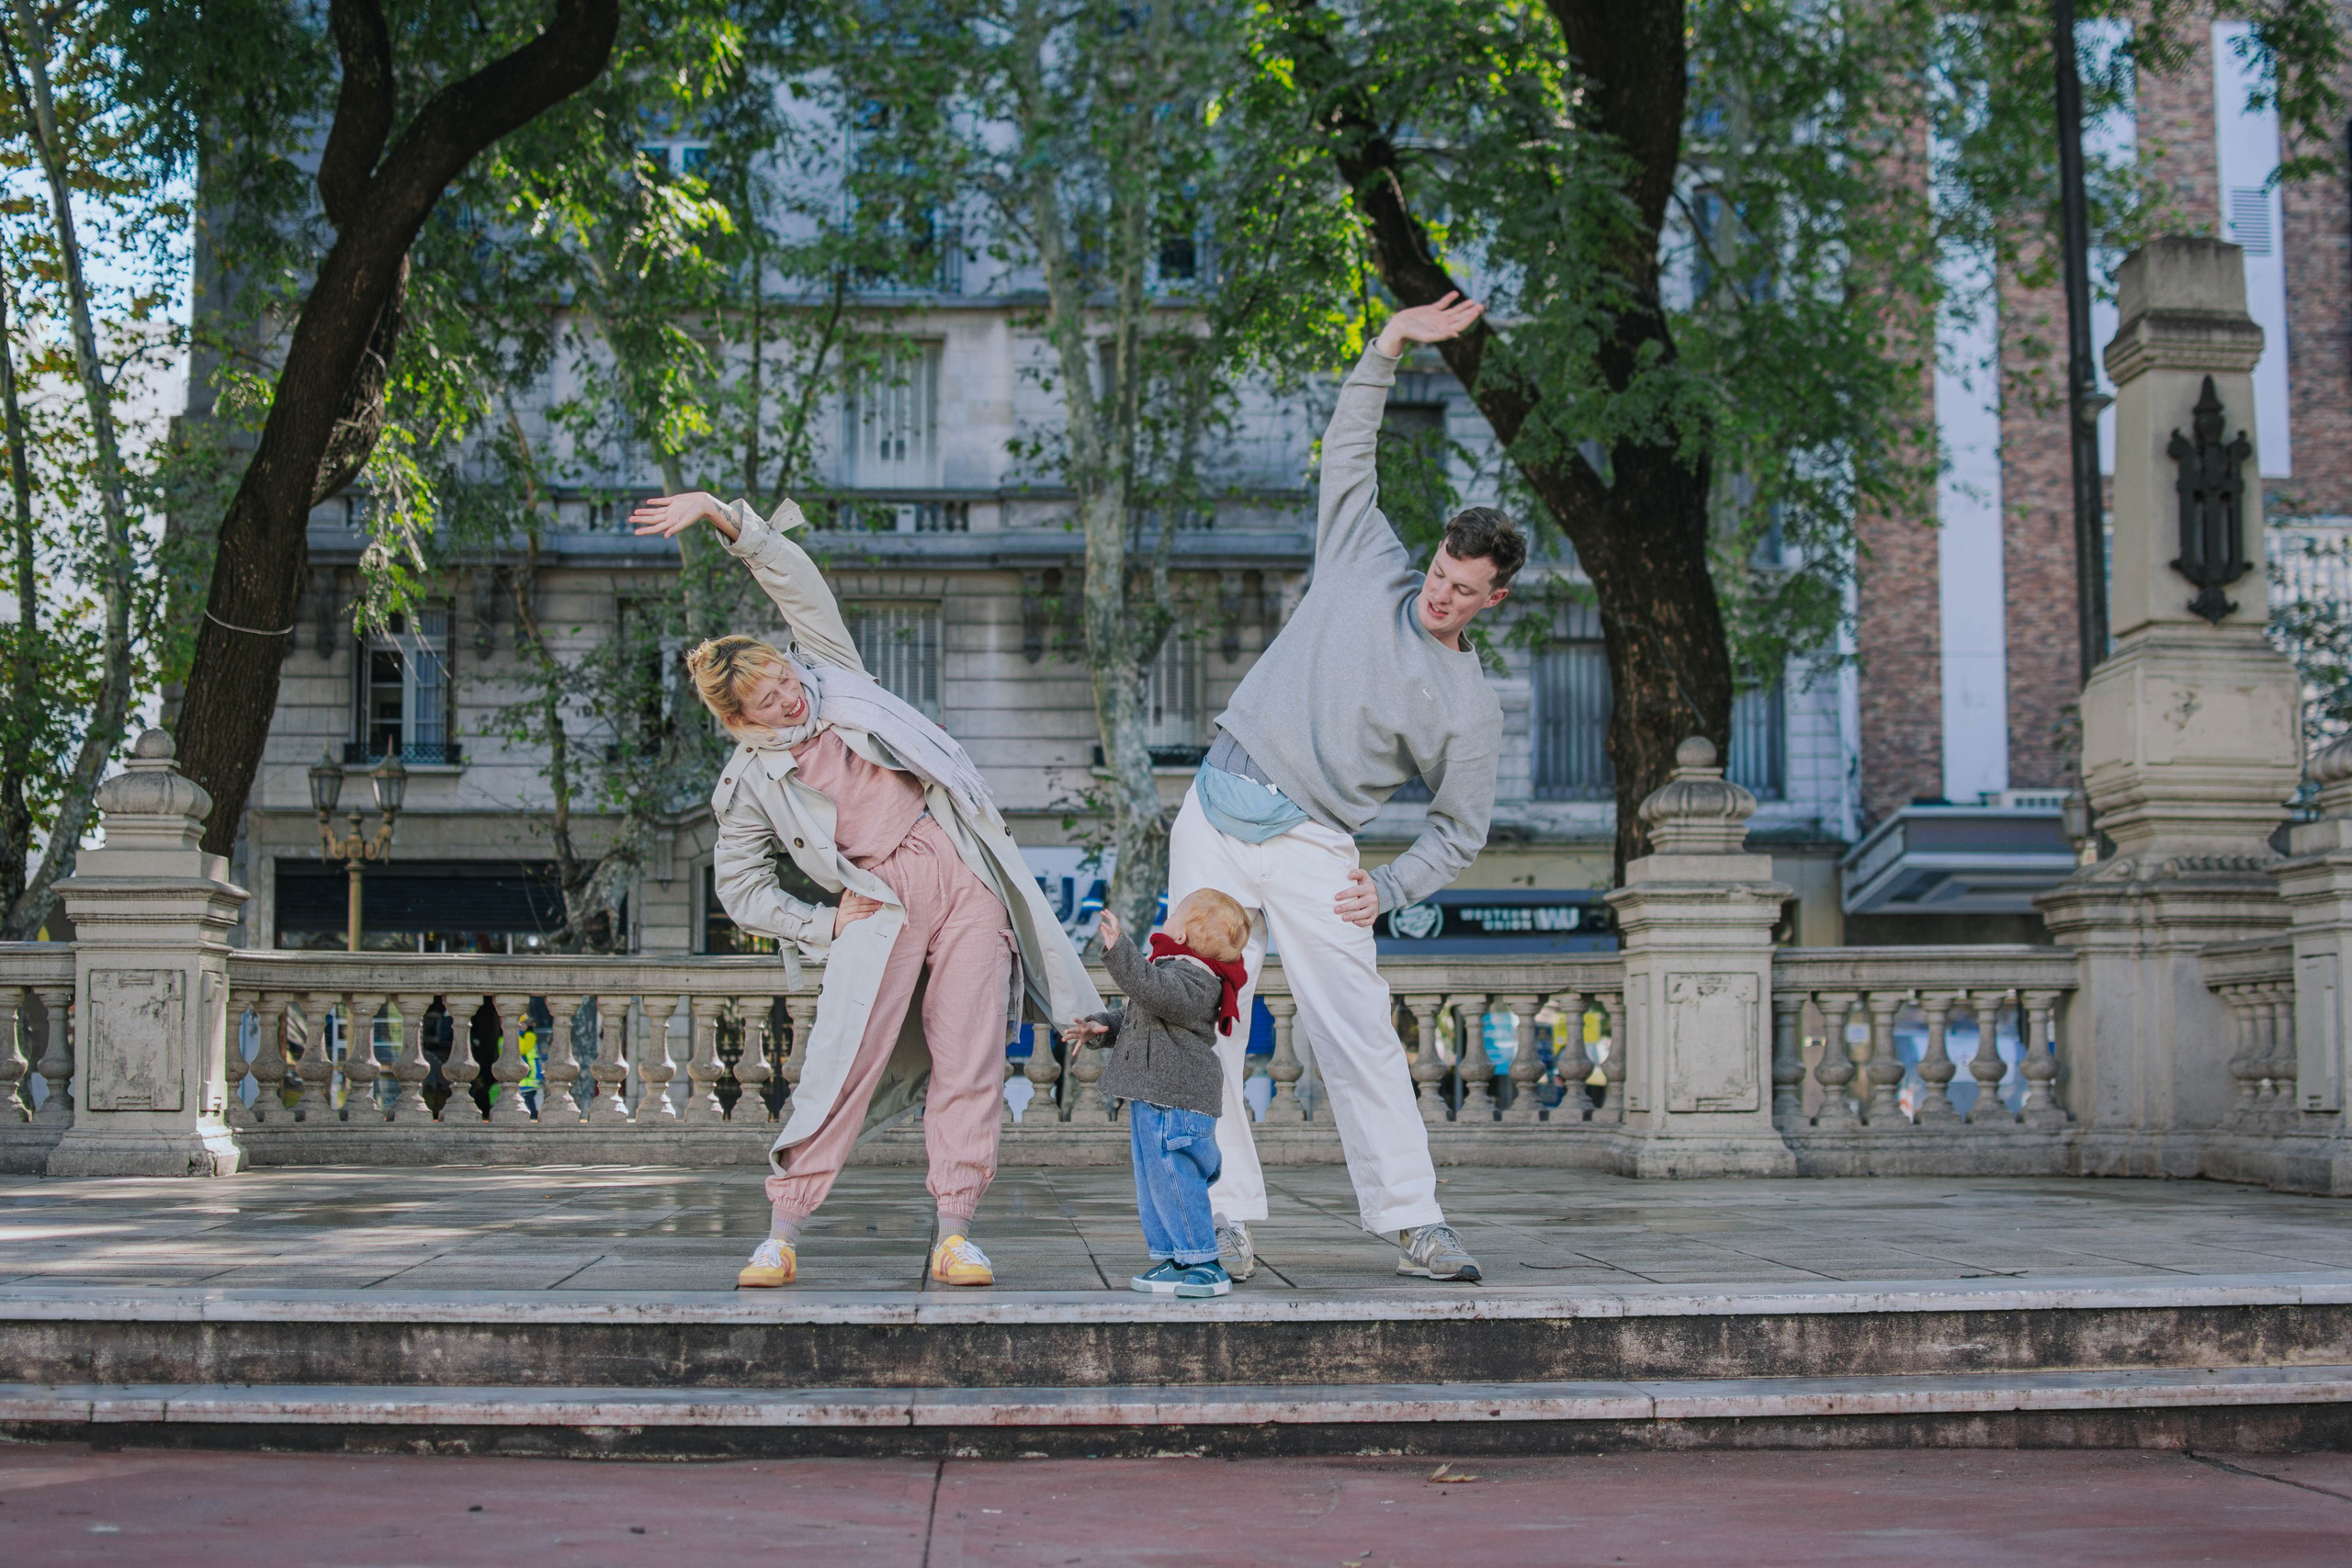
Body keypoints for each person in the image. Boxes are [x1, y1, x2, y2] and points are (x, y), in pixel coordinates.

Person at [629, 490, 1101, 1290]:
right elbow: (740, 888)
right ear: (740, 718)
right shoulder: (750, 782)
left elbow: (797, 581)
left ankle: (955, 1233)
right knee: (841, 1063)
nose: (787, 692)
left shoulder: (835, 673)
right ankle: (781, 1231)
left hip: (962, 870)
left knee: (972, 1054)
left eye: (780, 675)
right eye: (767, 696)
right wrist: (821, 924)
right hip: (880, 903)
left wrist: (724, 516)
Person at [1167, 292, 1524, 1286]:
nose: (1438, 595)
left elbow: (1459, 829)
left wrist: (1396, 887)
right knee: (1210, 1021)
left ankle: (1414, 1220)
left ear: (1494, 598)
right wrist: (1389, 344)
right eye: (1440, 572)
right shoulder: (1365, 555)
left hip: (1315, 842)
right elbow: (1348, 446)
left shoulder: (1468, 705)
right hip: (1214, 809)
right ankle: (1222, 1220)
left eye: (1462, 590)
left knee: (1355, 1028)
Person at [1066, 890, 1252, 1299]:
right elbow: (1144, 1014)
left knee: (1175, 1174)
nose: (1164, 922)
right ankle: (1178, 1256)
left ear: (1183, 935)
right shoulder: (1176, 973)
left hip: (1175, 1099)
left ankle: (1204, 1261)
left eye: (1172, 917)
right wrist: (1102, 1026)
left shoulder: (1199, 979)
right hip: (1154, 1094)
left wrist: (1121, 952)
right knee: (1154, 1182)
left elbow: (1154, 992)